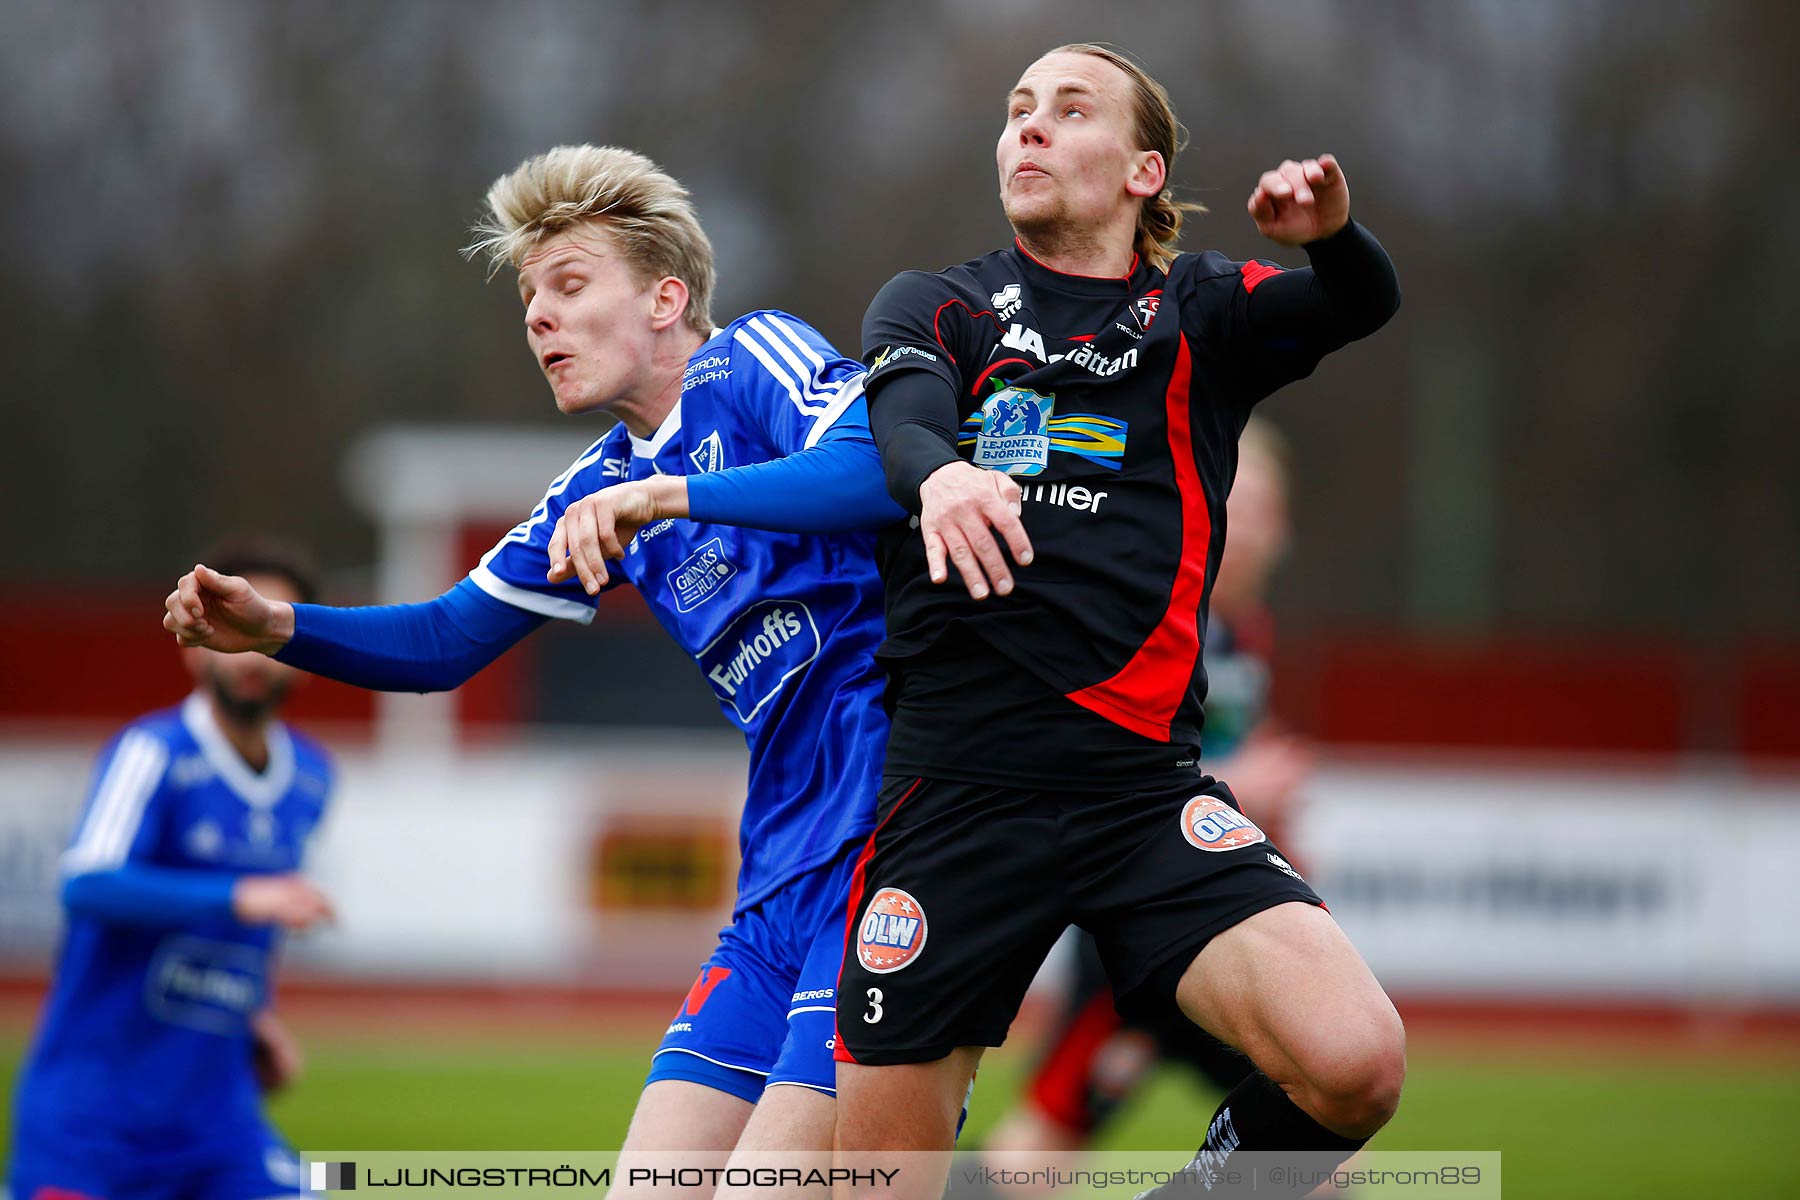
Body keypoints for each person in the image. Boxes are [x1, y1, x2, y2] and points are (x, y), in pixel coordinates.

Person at [162, 145, 905, 1197]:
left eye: (568, 285)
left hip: (894, 840)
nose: (538, 318)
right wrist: (279, 625)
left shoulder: (751, 364)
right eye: (528, 297)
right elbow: (442, 642)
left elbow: (879, 468)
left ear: (664, 297)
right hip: (779, 879)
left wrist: (671, 502)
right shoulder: (593, 488)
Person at [836, 44, 1404, 1197]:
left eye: (1068, 109)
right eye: (1016, 111)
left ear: (1145, 170)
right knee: (880, 1179)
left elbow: (1360, 302)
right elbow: (903, 422)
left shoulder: (1202, 312)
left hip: (1144, 794)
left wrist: (1333, 234)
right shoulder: (938, 302)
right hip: (958, 793)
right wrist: (939, 475)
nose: (1029, 129)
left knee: (1356, 1060)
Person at [978, 419, 1321, 1171]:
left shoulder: (1244, 629)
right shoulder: (1162, 612)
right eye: (1245, 504)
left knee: (1317, 1131)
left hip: (1209, 929)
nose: (1260, 529)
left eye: (1270, 509)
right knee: (1035, 1155)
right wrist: (1241, 784)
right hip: (1138, 943)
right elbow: (1125, 764)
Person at [9, 540, 335, 1200]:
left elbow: (245, 937)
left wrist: (258, 1016)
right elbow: (88, 883)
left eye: (265, 633)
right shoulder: (152, 752)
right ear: (192, 643)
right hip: (93, 1130)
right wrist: (241, 896)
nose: (249, 657)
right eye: (232, 631)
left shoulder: (311, 776)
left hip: (220, 1129)